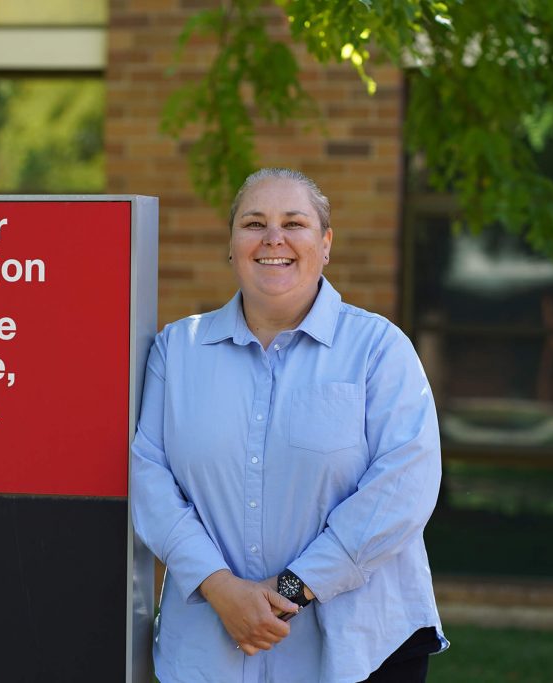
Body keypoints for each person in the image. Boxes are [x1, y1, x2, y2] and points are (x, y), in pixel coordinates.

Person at [131, 168, 447, 683]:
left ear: (325, 245)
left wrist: (292, 589)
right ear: (231, 246)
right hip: (210, 650)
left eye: (294, 223)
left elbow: (404, 486)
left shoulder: (378, 349)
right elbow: (150, 479)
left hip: (359, 650)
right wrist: (218, 586)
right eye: (254, 223)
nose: (273, 238)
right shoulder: (177, 351)